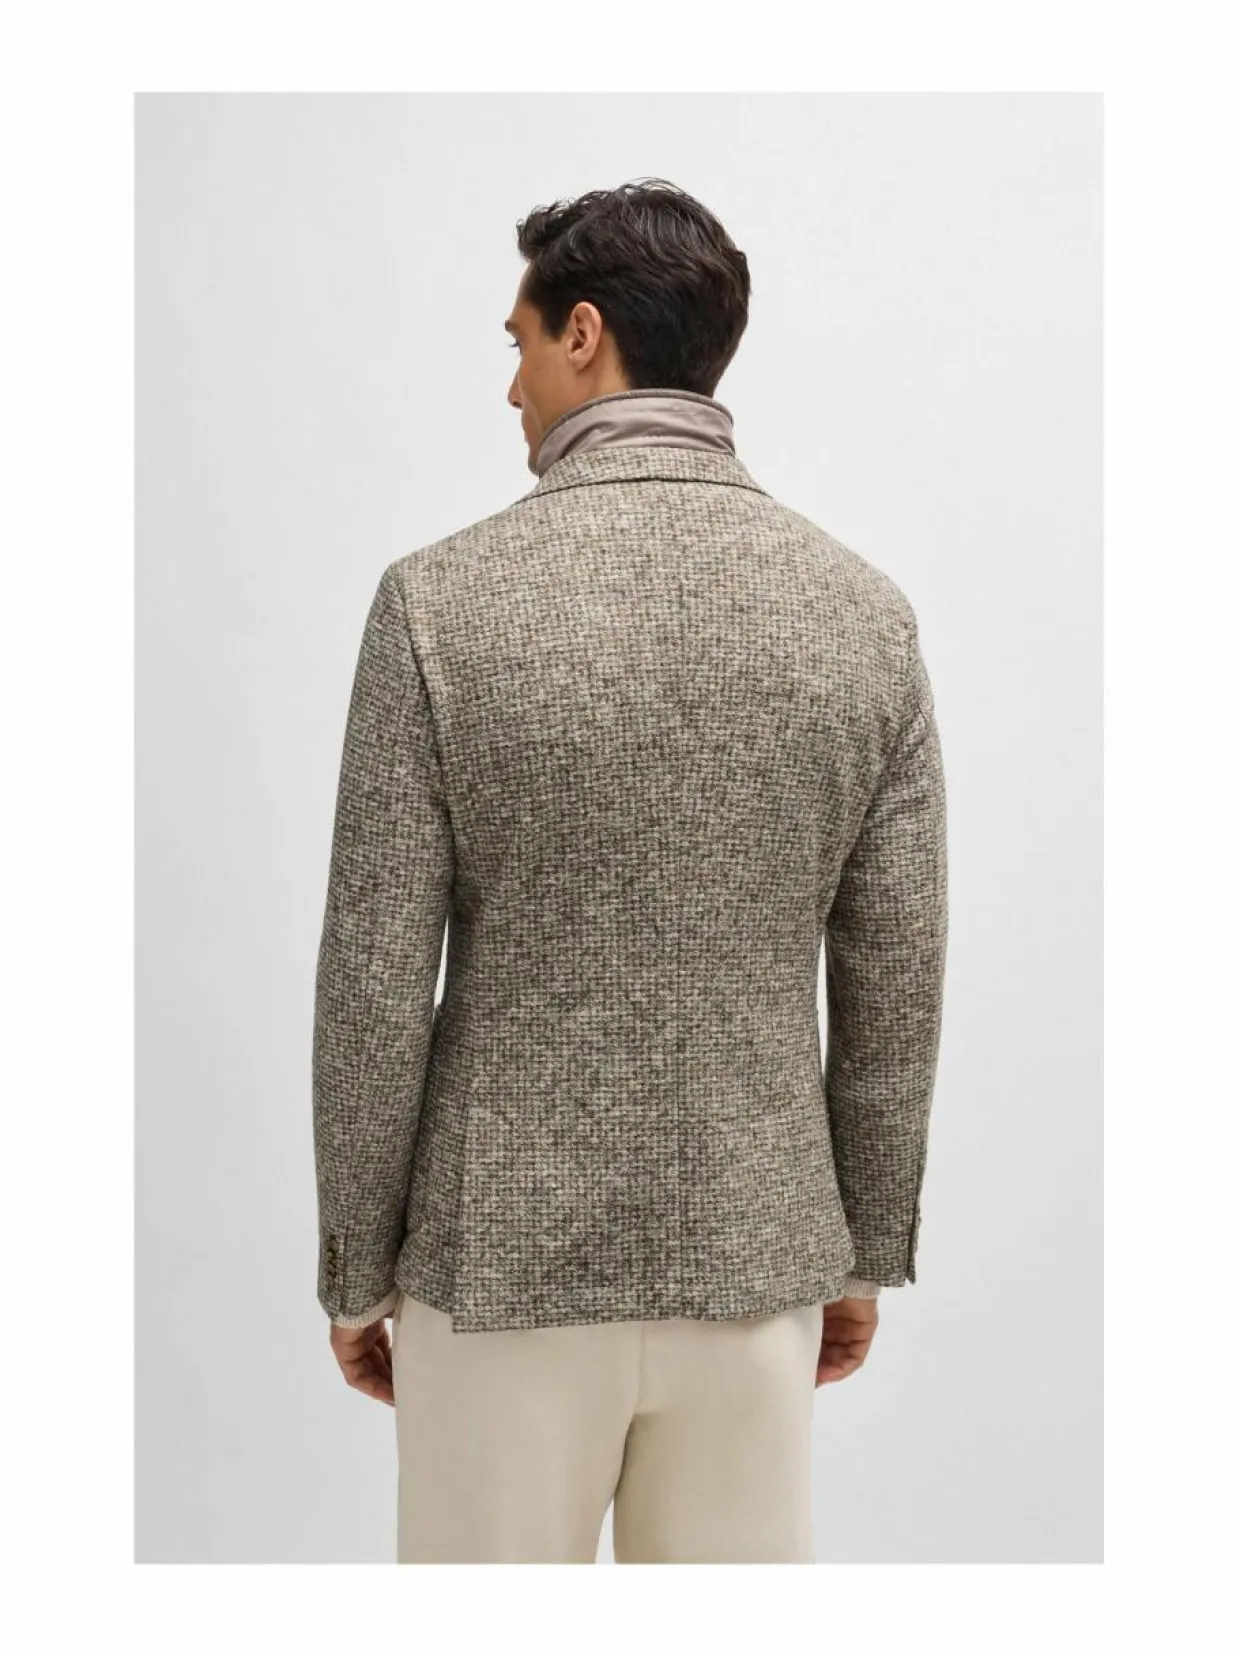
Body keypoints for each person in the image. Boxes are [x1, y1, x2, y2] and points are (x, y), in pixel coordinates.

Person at [311, 177, 949, 1564]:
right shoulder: (864, 615)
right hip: (755, 1269)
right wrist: (859, 1247)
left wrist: (357, 1267)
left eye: (520, 341)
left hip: (493, 1274)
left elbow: (373, 981)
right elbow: (894, 980)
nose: (512, 385)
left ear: (585, 334)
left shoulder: (436, 604)